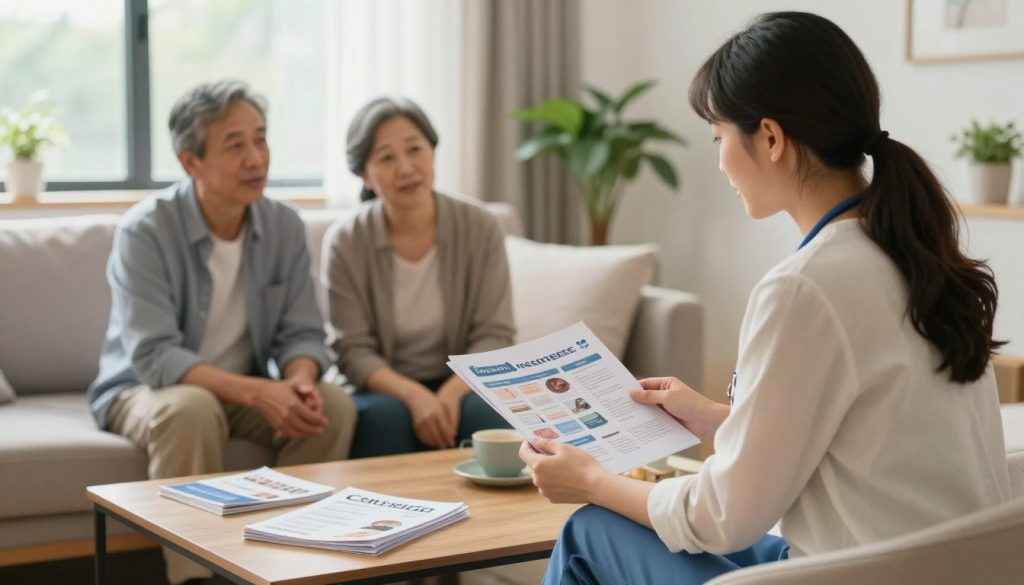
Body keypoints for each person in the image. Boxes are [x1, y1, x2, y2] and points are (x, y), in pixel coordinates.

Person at [519, 12, 1011, 585]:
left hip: (853, 572)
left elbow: (723, 518)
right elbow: (867, 429)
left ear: (771, 138)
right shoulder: (914, 253)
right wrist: (718, 418)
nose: (721, 160)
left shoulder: (806, 286)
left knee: (590, 530)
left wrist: (593, 482)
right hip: (928, 567)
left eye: (719, 138)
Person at [88, 79, 357, 585]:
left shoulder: (283, 226)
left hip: (240, 389)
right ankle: (193, 577)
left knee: (332, 404)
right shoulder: (144, 232)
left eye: (261, 138)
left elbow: (302, 333)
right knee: (191, 408)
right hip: (143, 389)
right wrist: (263, 393)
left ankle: (290, 564)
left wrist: (298, 382)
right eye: (236, 145)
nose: (256, 158)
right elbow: (156, 357)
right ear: (190, 162)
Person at [325, 97, 515, 457]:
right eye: (386, 158)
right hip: (383, 385)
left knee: (486, 413)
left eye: (415, 149)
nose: (406, 167)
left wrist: (448, 394)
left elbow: (495, 334)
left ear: (433, 151)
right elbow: (352, 350)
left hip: (462, 381)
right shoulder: (347, 241)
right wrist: (414, 395)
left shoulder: (480, 226)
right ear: (365, 174)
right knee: (384, 418)